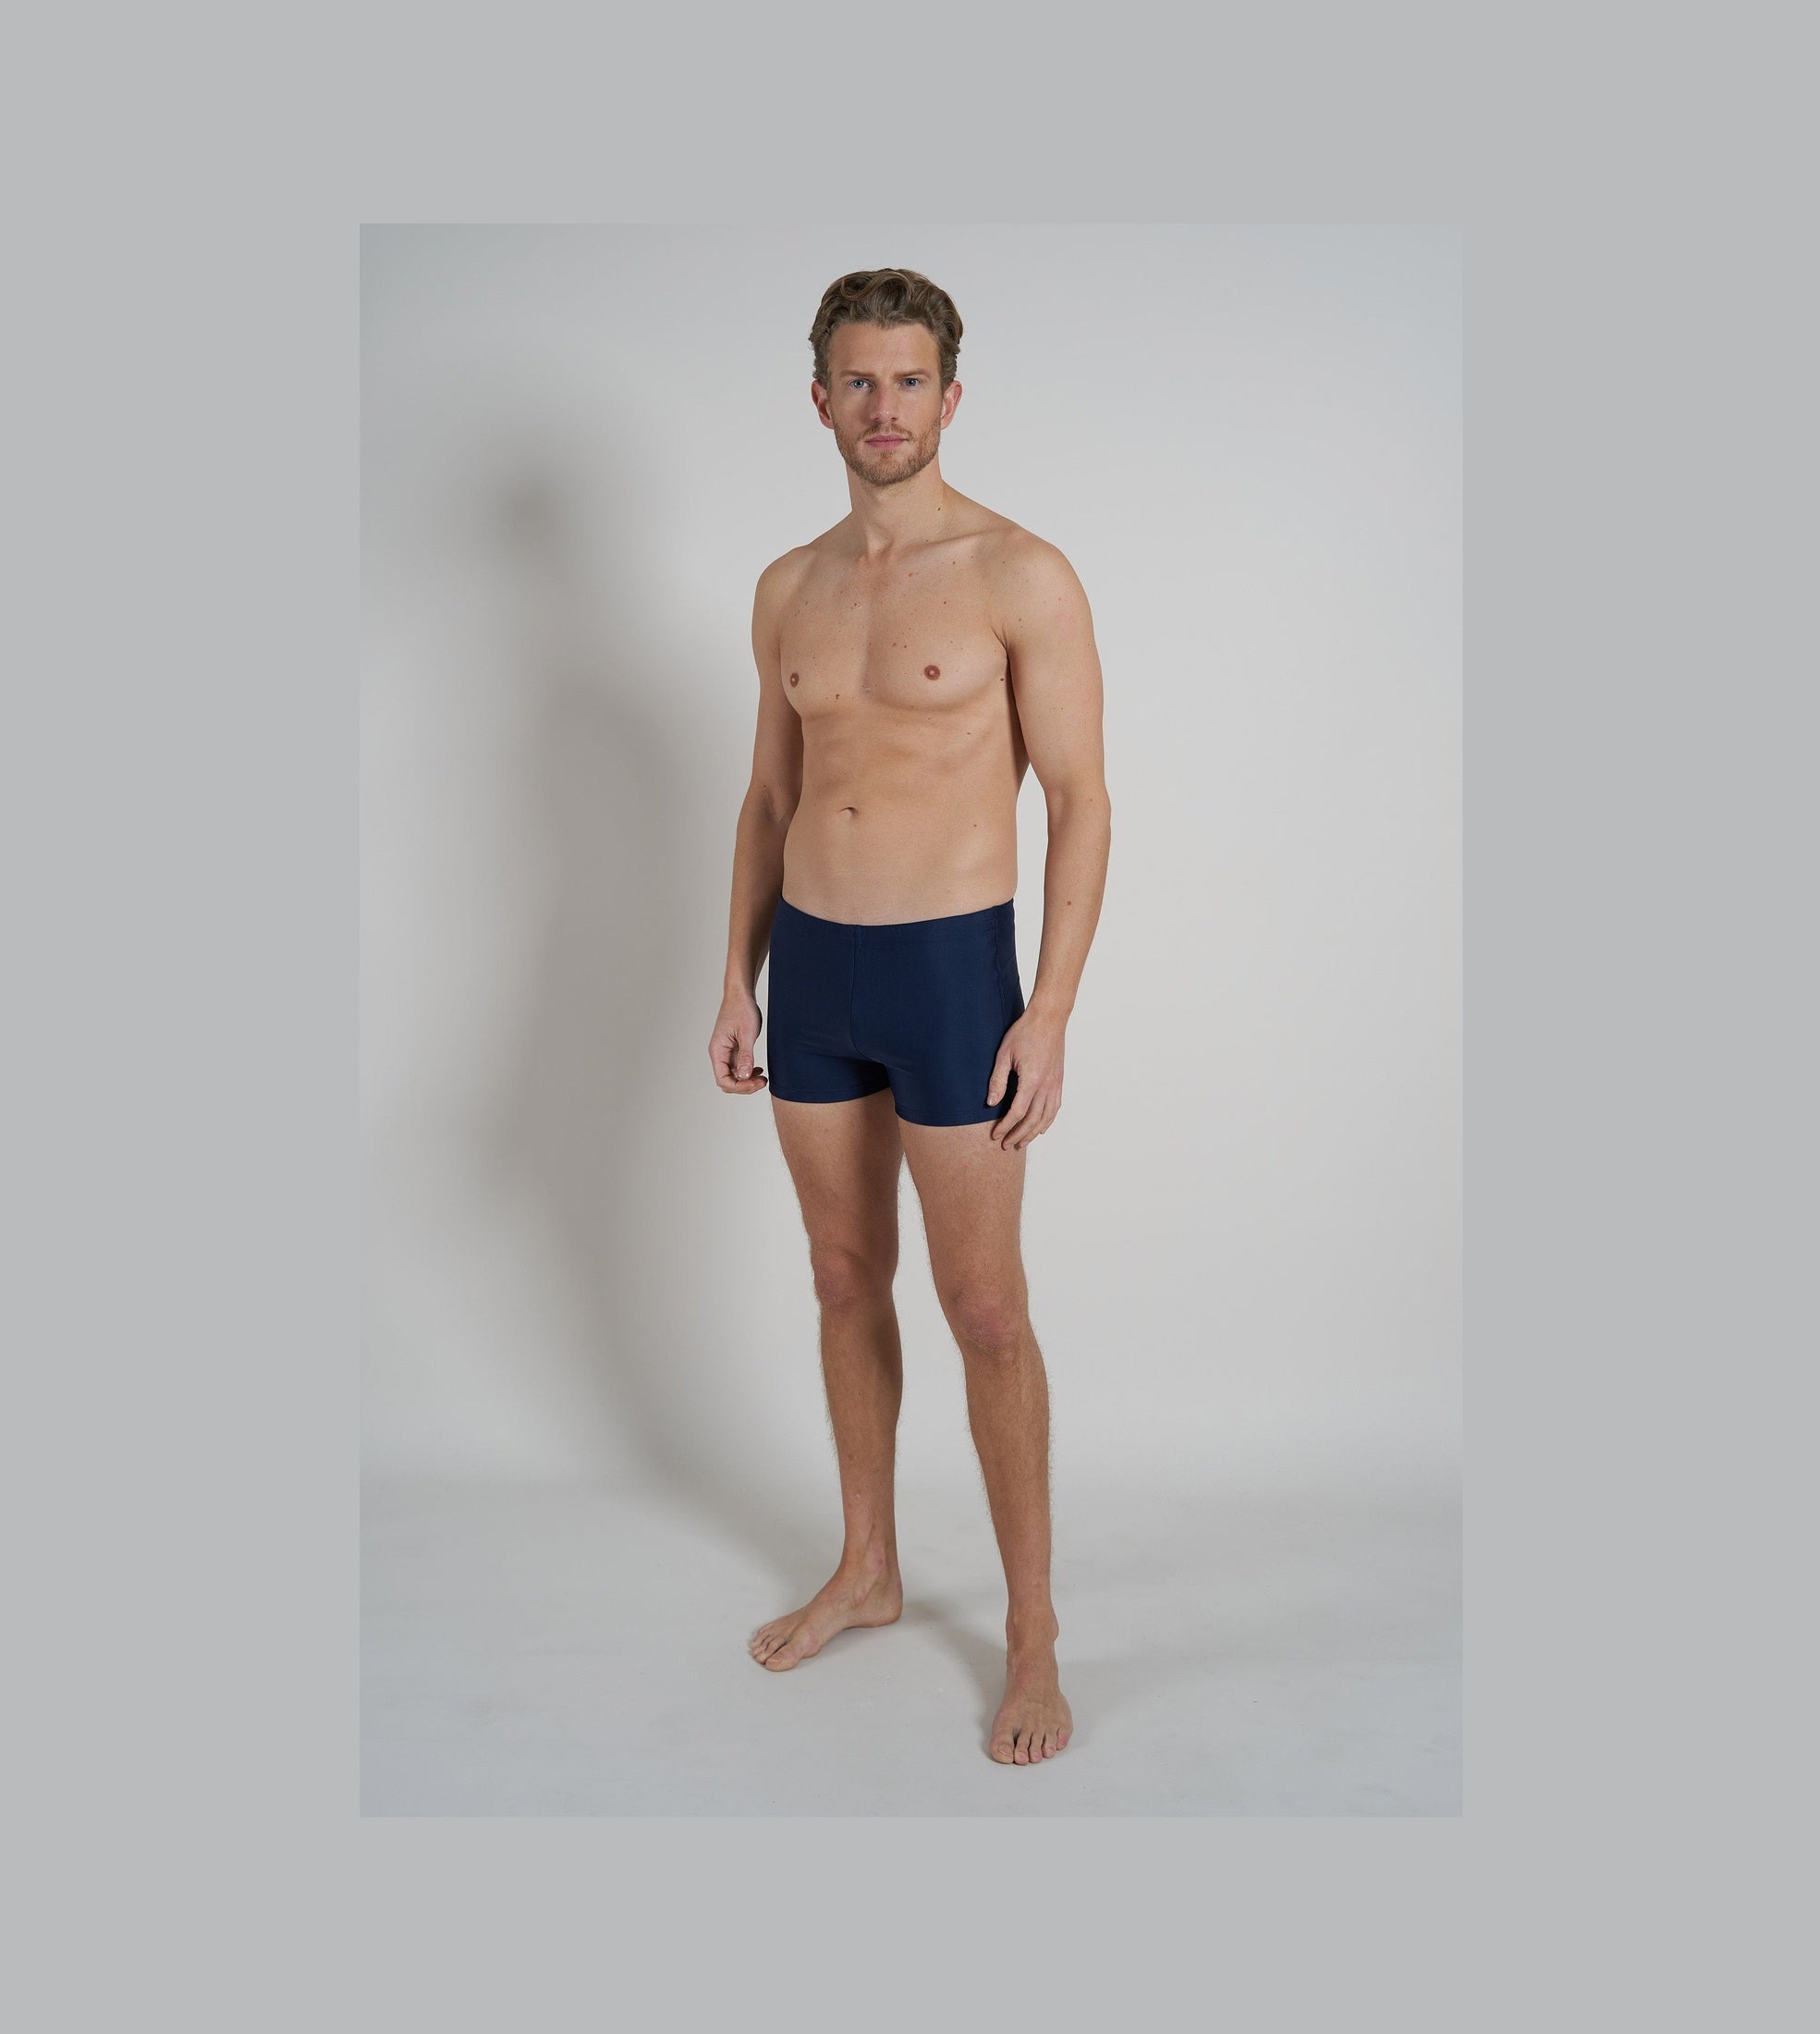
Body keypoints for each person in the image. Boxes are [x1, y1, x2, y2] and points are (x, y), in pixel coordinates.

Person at [709, 268, 1111, 1766]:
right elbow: (769, 798)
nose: (885, 408)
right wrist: (735, 978)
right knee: (839, 1278)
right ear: (820, 399)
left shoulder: (1019, 572)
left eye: (909, 380)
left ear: (951, 395)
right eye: (859, 382)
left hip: (953, 973)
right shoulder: (787, 587)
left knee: (985, 1312)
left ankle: (1032, 1636)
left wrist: (1048, 1009)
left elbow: (1080, 800)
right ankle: (868, 1568)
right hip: (814, 970)